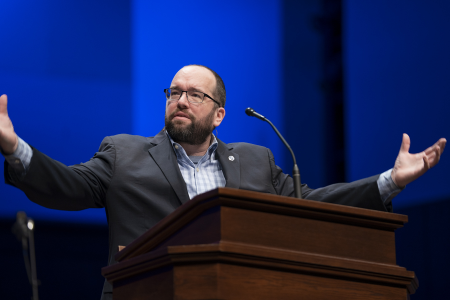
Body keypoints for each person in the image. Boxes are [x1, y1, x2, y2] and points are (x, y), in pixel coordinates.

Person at [0, 65, 446, 299]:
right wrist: (16, 147)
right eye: (174, 92)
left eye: (195, 94)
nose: (181, 100)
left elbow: (314, 206)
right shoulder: (124, 153)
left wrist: (388, 182)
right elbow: (67, 185)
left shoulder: (256, 161)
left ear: (219, 114)